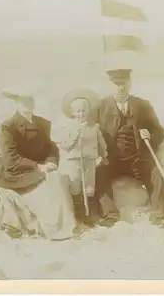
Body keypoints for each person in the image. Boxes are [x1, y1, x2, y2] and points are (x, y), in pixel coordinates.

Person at [0, 87, 76, 241]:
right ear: (17, 103)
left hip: (39, 167)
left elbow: (51, 147)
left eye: (30, 100)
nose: (27, 104)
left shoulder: (43, 123)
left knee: (57, 180)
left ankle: (66, 226)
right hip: (16, 170)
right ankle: (52, 229)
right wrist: (38, 167)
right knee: (47, 190)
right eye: (23, 101)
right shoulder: (9, 126)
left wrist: (51, 162)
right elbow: (10, 157)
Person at [94, 69, 164, 228]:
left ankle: (159, 215)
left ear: (130, 84)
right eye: (116, 84)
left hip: (137, 157)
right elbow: (91, 132)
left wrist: (149, 136)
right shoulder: (100, 107)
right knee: (98, 172)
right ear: (110, 85)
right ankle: (110, 214)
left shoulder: (143, 105)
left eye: (124, 84)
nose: (120, 88)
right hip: (111, 158)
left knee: (156, 172)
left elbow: (159, 132)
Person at [57, 89, 109, 233]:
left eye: (84, 111)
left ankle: (90, 215)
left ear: (88, 111)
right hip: (73, 161)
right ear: (72, 113)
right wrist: (74, 135)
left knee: (90, 187)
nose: (81, 114)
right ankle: (78, 216)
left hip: (89, 160)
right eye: (78, 111)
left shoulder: (94, 127)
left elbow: (101, 143)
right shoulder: (67, 127)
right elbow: (65, 145)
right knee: (76, 187)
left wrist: (104, 155)